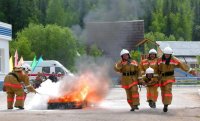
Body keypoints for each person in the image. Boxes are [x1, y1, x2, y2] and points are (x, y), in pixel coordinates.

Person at [158, 47, 196, 112]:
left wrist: (190, 71)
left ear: (171, 54)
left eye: (168, 54)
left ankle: (166, 105)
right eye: (166, 54)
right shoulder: (159, 60)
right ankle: (165, 103)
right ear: (164, 54)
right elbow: (156, 68)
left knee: (168, 90)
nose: (167, 55)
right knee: (163, 92)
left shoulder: (174, 60)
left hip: (170, 77)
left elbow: (182, 65)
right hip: (162, 78)